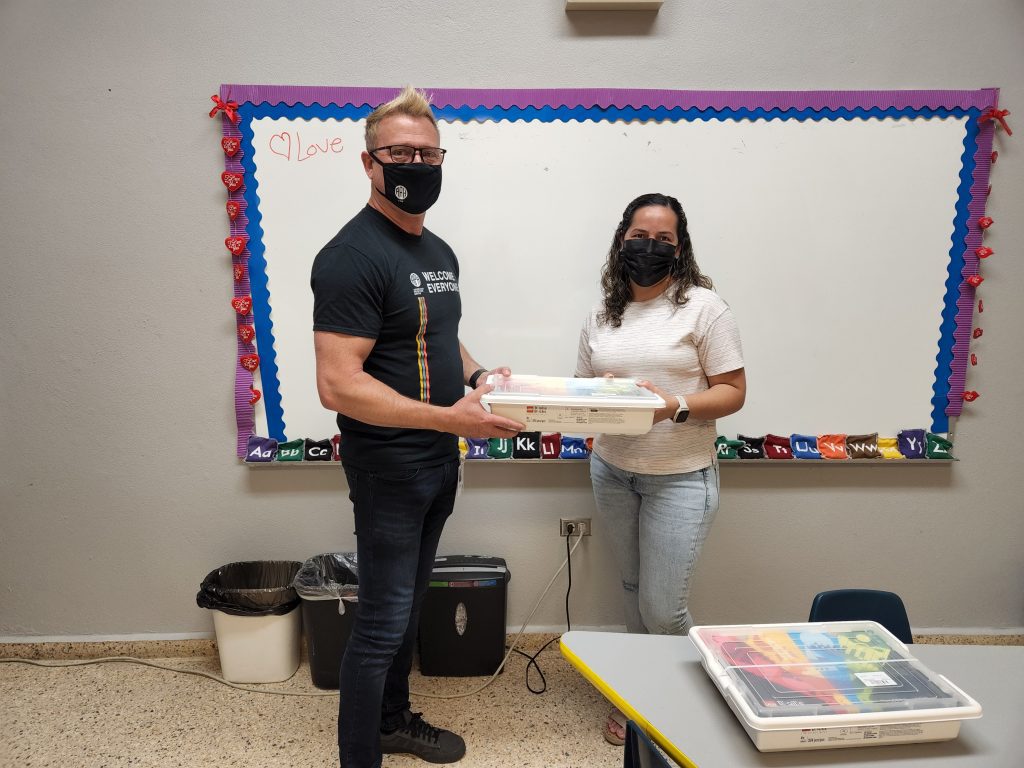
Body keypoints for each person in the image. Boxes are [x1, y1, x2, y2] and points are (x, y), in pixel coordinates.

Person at [311, 86, 524, 768]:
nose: (417, 163)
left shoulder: (436, 250)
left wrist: (480, 378)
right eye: (401, 152)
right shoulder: (349, 257)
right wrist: (449, 418)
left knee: (404, 614)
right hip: (389, 466)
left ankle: (393, 723)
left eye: (429, 152)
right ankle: (360, 755)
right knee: (379, 624)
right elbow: (338, 384)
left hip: (437, 461)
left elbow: (440, 336)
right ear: (370, 164)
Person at [574, 193, 746, 746]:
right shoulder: (602, 314)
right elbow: (584, 389)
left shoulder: (704, 307)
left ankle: (701, 699)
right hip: (613, 470)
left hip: (681, 477)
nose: (649, 247)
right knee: (631, 590)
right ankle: (639, 699)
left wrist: (672, 405)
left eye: (663, 239)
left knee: (663, 608)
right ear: (621, 240)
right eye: (639, 236)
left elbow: (734, 392)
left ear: (680, 247)